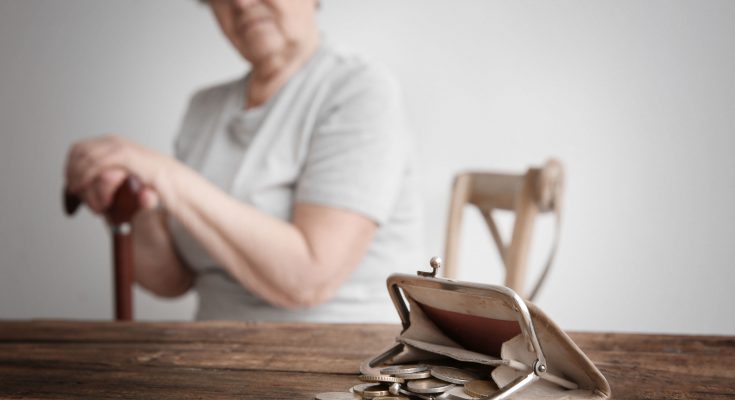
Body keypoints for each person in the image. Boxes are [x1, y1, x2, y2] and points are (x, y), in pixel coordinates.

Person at [63, 0, 422, 322]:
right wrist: (125, 202)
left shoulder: (359, 89)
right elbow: (172, 279)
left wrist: (165, 174)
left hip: (340, 359)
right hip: (215, 353)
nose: (240, 3)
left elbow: (309, 280)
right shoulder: (203, 108)